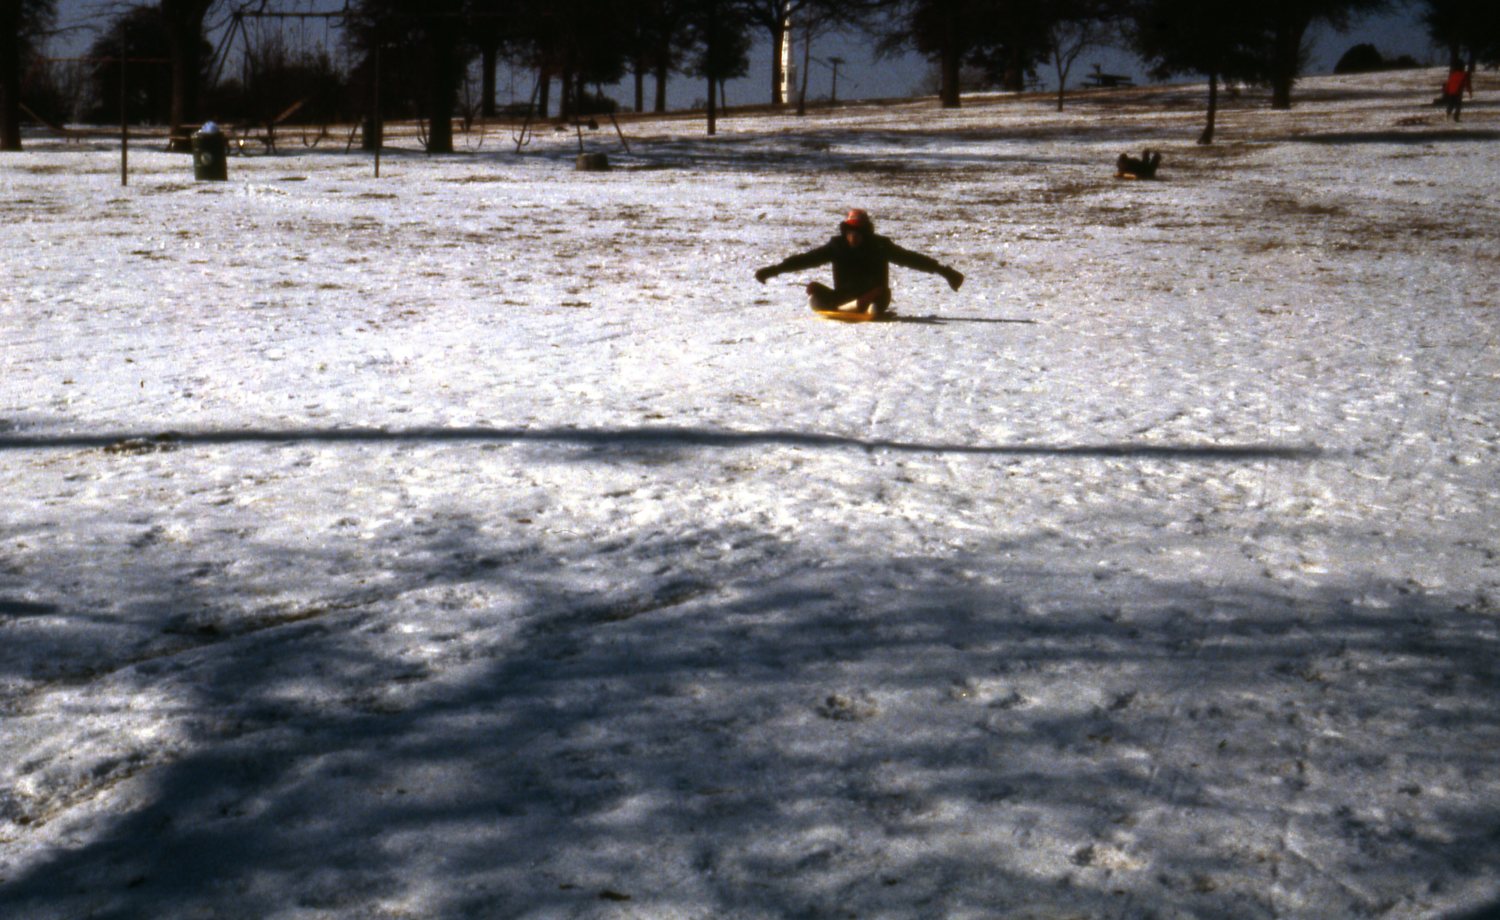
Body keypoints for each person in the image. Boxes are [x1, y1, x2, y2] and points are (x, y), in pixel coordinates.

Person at [754, 209, 964, 316]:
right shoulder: (836, 246)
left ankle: (865, 306)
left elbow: (910, 259)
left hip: (873, 295)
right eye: (850, 233)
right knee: (814, 289)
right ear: (845, 233)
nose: (854, 238)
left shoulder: (880, 246)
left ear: (866, 233)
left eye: (858, 233)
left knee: (878, 292)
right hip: (844, 296)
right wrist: (775, 270)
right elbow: (806, 259)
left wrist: (943, 271)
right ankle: (841, 304)